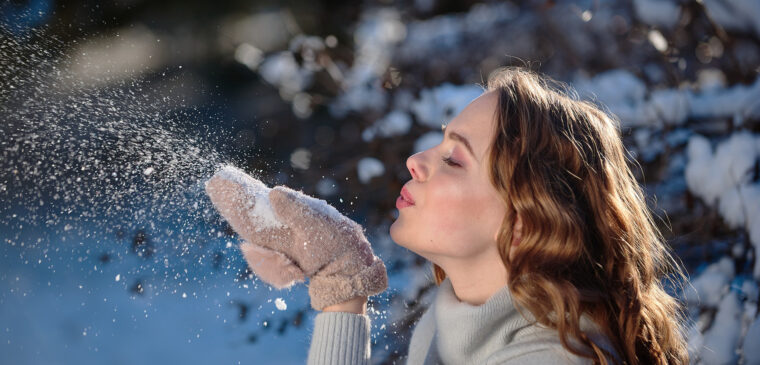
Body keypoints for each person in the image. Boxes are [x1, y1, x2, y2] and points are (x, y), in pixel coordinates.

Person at [205, 67, 689, 364]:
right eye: (440, 142)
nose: (418, 160)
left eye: (455, 159)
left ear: (524, 221)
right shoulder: (452, 331)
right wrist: (342, 286)